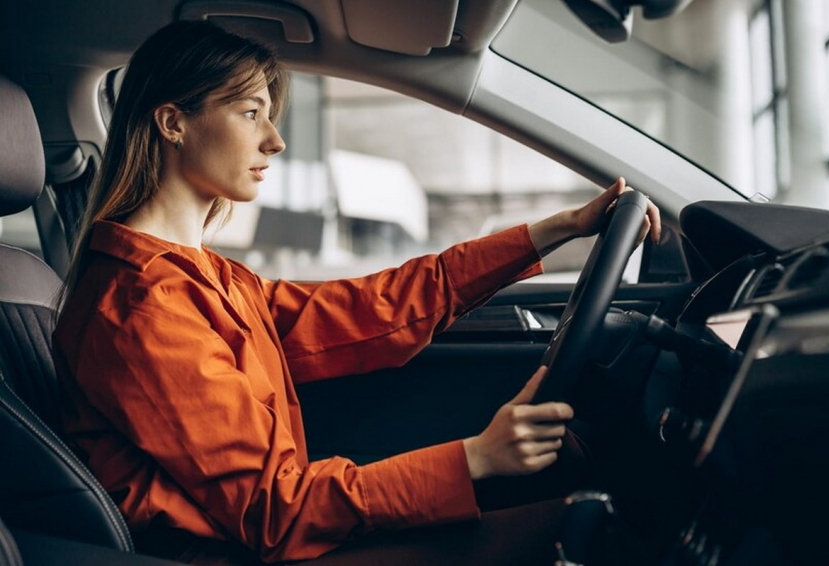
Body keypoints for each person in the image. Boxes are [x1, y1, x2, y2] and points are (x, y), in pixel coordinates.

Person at [53, 21, 661, 566]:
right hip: (242, 553)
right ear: (172, 123)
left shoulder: (207, 277)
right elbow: (277, 513)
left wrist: (559, 229)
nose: (275, 141)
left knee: (576, 483)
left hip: (273, 538)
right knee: (583, 526)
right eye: (249, 113)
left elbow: (371, 311)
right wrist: (476, 457)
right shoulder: (141, 305)